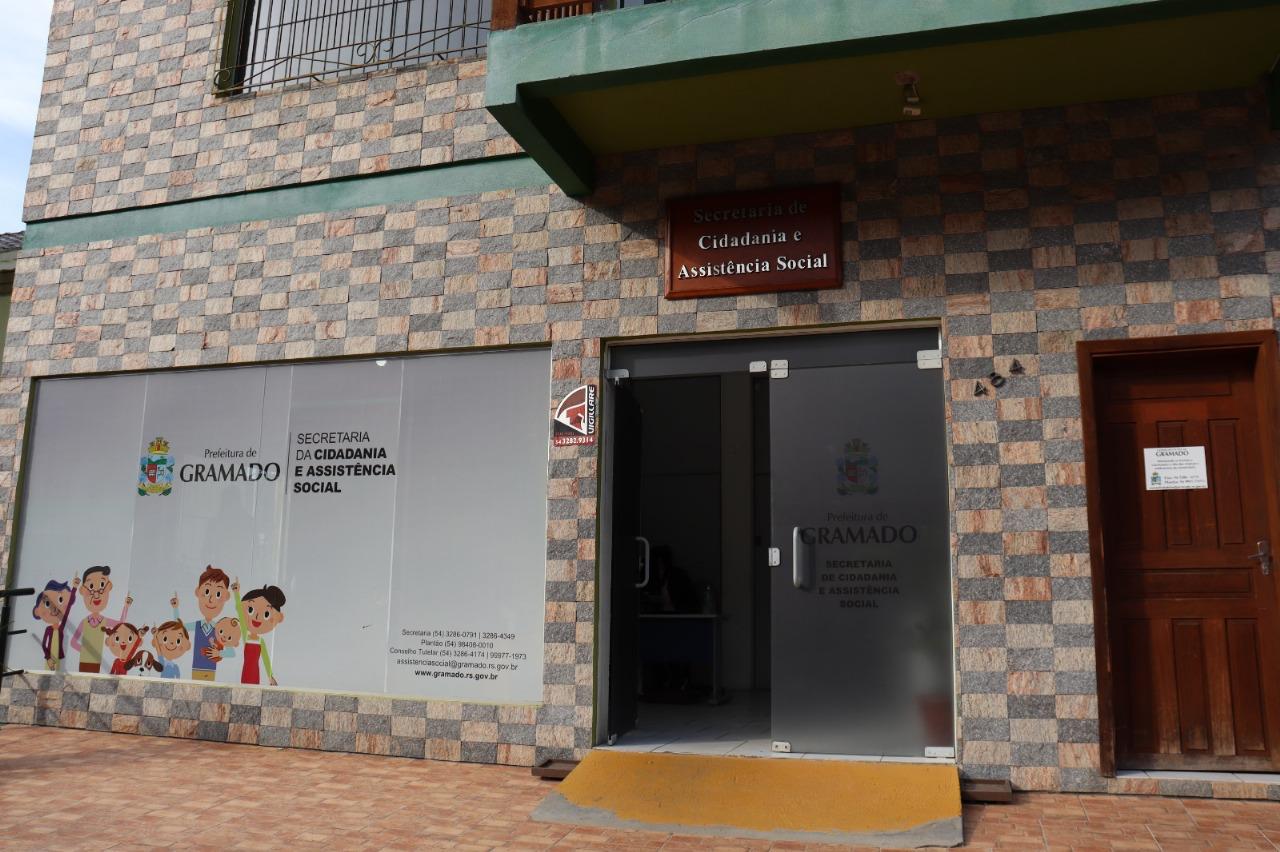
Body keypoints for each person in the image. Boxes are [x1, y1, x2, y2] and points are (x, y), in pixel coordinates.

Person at [171, 566, 237, 681]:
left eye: (218, 594)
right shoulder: (197, 625)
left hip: (211, 669)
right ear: (198, 592)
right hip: (196, 668)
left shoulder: (220, 629)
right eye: (207, 592)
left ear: (226, 597)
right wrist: (175, 608)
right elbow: (179, 627)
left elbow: (231, 652)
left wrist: (219, 653)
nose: (211, 599)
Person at [69, 566, 132, 673]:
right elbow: (73, 642)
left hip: (97, 662)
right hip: (84, 661)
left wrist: (126, 607)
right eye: (91, 587)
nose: (97, 594)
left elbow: (120, 625)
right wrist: (84, 650)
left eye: (102, 586)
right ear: (83, 591)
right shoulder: (84, 622)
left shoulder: (103, 621)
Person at [232, 579, 285, 686]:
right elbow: (241, 614)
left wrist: (270, 676)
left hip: (255, 672)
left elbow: (266, 659)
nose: (256, 617)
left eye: (266, 614)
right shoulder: (246, 637)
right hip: (246, 671)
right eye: (250, 610)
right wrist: (236, 593)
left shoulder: (261, 642)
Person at [32, 575, 78, 671]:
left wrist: (74, 587)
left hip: (58, 658)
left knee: (57, 673)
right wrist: (48, 658)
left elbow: (68, 607)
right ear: (37, 611)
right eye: (47, 604)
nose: (54, 609)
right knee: (48, 673)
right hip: (50, 659)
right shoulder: (48, 629)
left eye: (60, 600)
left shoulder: (61, 627)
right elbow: (44, 644)